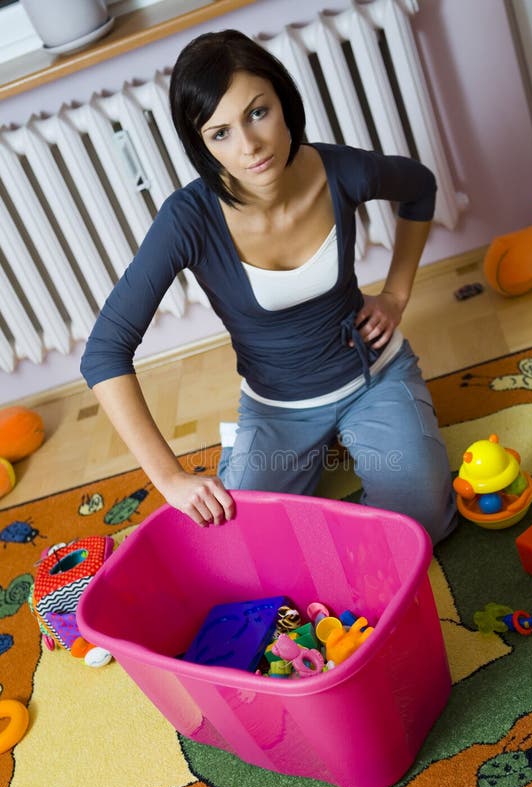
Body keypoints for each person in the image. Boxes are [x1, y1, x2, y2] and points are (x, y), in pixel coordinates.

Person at [80, 29, 457, 545]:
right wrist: (169, 478)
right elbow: (104, 352)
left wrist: (395, 296)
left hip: (372, 375)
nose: (250, 147)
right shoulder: (187, 220)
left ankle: (369, 441)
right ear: (202, 145)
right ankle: (283, 452)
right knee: (239, 544)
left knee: (420, 526)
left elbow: (420, 188)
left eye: (257, 113)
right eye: (220, 134)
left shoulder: (340, 171)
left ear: (284, 102)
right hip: (278, 408)